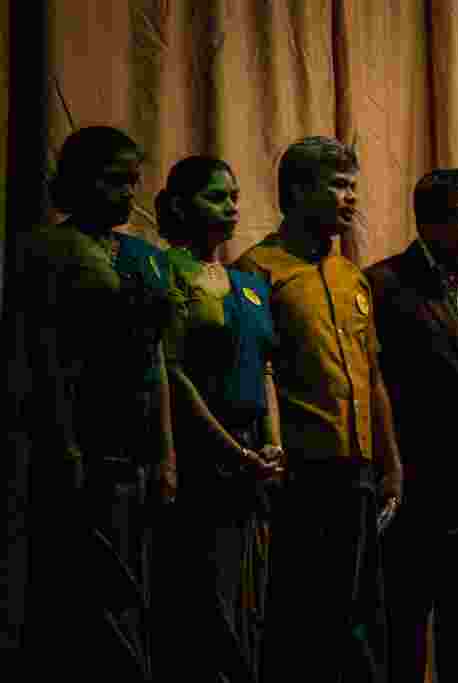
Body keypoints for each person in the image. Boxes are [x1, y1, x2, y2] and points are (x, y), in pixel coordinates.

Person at [234, 136, 402, 683]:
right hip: (301, 470)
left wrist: (391, 460)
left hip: (357, 468)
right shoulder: (259, 270)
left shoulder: (352, 274)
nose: (351, 198)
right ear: (299, 192)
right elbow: (254, 376)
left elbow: (372, 374)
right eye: (338, 186)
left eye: (354, 186)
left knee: (361, 616)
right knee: (304, 618)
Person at [16, 125, 176, 681]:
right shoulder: (45, 250)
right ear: (79, 182)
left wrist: (166, 454)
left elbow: (155, 361)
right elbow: (44, 357)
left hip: (136, 450)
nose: (127, 196)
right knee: (91, 594)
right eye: (114, 183)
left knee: (138, 587)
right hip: (82, 447)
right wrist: (66, 447)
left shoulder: (141, 256)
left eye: (133, 183)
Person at [364, 168, 458, 683]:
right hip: (417, 483)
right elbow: (375, 380)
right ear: (427, 223)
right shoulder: (384, 284)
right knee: (406, 620)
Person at [152, 155, 282, 682]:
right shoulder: (166, 273)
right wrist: (232, 449)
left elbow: (265, 369)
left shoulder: (248, 283)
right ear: (182, 207)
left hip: (254, 455)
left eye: (233, 197)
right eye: (216, 197)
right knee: (205, 595)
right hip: (205, 450)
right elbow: (171, 370)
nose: (231, 208)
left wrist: (272, 443)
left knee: (251, 597)